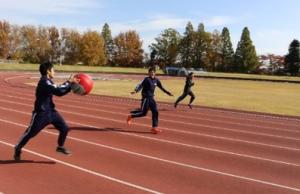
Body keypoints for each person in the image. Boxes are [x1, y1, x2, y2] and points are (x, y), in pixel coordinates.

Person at [14, 61, 80, 161]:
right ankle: (18, 147)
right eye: (53, 70)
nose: (54, 72)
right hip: (41, 114)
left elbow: (59, 92)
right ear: (48, 71)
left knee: (65, 128)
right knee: (30, 133)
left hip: (51, 112)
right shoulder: (44, 82)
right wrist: (69, 83)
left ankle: (60, 147)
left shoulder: (48, 82)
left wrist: (70, 87)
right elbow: (58, 91)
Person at [127, 67, 173, 134]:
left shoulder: (156, 80)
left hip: (152, 98)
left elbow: (161, 87)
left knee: (155, 112)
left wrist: (168, 93)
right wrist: (135, 91)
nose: (152, 73)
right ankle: (130, 116)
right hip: (146, 98)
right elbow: (140, 85)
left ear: (155, 73)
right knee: (143, 113)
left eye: (153, 72)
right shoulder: (146, 79)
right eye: (150, 72)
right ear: (148, 73)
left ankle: (154, 127)